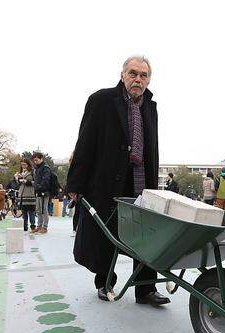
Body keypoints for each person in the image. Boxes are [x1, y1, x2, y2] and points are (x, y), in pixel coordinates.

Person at [66, 55, 169, 306]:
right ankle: (104, 282)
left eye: (143, 75)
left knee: (145, 234)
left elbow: (151, 148)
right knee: (106, 231)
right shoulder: (101, 101)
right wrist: (75, 185)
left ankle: (145, 290)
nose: (138, 79)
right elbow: (85, 142)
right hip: (107, 179)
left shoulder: (150, 107)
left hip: (140, 180)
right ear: (123, 75)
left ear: (148, 79)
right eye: (133, 73)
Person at [32, 152, 52, 234]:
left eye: (36, 160)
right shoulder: (37, 168)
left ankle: (45, 227)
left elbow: (46, 180)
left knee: (44, 210)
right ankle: (39, 226)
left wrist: (40, 187)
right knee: (38, 210)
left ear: (41, 159)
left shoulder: (45, 168)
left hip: (44, 192)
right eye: (34, 160)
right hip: (38, 192)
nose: (35, 162)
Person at [17, 159, 36, 232]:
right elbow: (18, 184)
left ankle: (33, 226)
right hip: (22, 194)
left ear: (28, 165)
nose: (23, 166)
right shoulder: (20, 173)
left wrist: (26, 181)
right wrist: (18, 179)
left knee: (31, 212)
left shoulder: (32, 172)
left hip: (30, 194)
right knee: (24, 212)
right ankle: (25, 227)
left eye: (25, 164)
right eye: (22, 165)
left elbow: (35, 182)